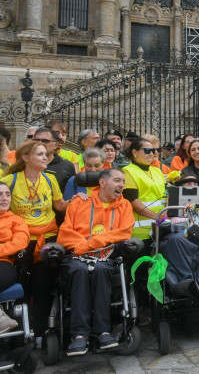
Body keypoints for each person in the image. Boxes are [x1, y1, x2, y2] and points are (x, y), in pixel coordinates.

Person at [1, 141, 79, 341]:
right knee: (22, 286)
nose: (46, 157)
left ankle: (42, 331)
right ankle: (18, 335)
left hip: (49, 238)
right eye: (40, 154)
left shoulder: (49, 179)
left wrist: (78, 199)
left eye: (46, 154)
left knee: (44, 283)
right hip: (22, 239)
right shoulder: (10, 179)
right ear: (25, 158)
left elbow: (60, 205)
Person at [56, 168, 134, 356]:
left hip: (106, 257)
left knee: (100, 270)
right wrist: (83, 247)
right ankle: (79, 335)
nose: (121, 184)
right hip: (77, 256)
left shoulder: (125, 205)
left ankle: (103, 331)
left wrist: (94, 243)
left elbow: (124, 232)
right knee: (80, 271)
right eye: (117, 180)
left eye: (123, 181)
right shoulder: (78, 203)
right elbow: (65, 233)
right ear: (102, 182)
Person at [122, 138, 166, 241]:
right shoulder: (128, 171)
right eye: (147, 150)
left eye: (154, 150)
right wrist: (156, 216)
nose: (152, 153)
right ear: (134, 152)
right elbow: (132, 201)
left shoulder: (157, 171)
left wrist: (165, 214)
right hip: (141, 230)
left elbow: (166, 195)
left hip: (160, 227)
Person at [0, 182, 29, 334]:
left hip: (4, 265)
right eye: (0, 194)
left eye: (7, 194)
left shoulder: (16, 220)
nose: (4, 198)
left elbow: (19, 243)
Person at [33, 127, 75, 194]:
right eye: (36, 140)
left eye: (45, 141)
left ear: (56, 145)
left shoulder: (67, 166)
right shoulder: (26, 163)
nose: (40, 143)